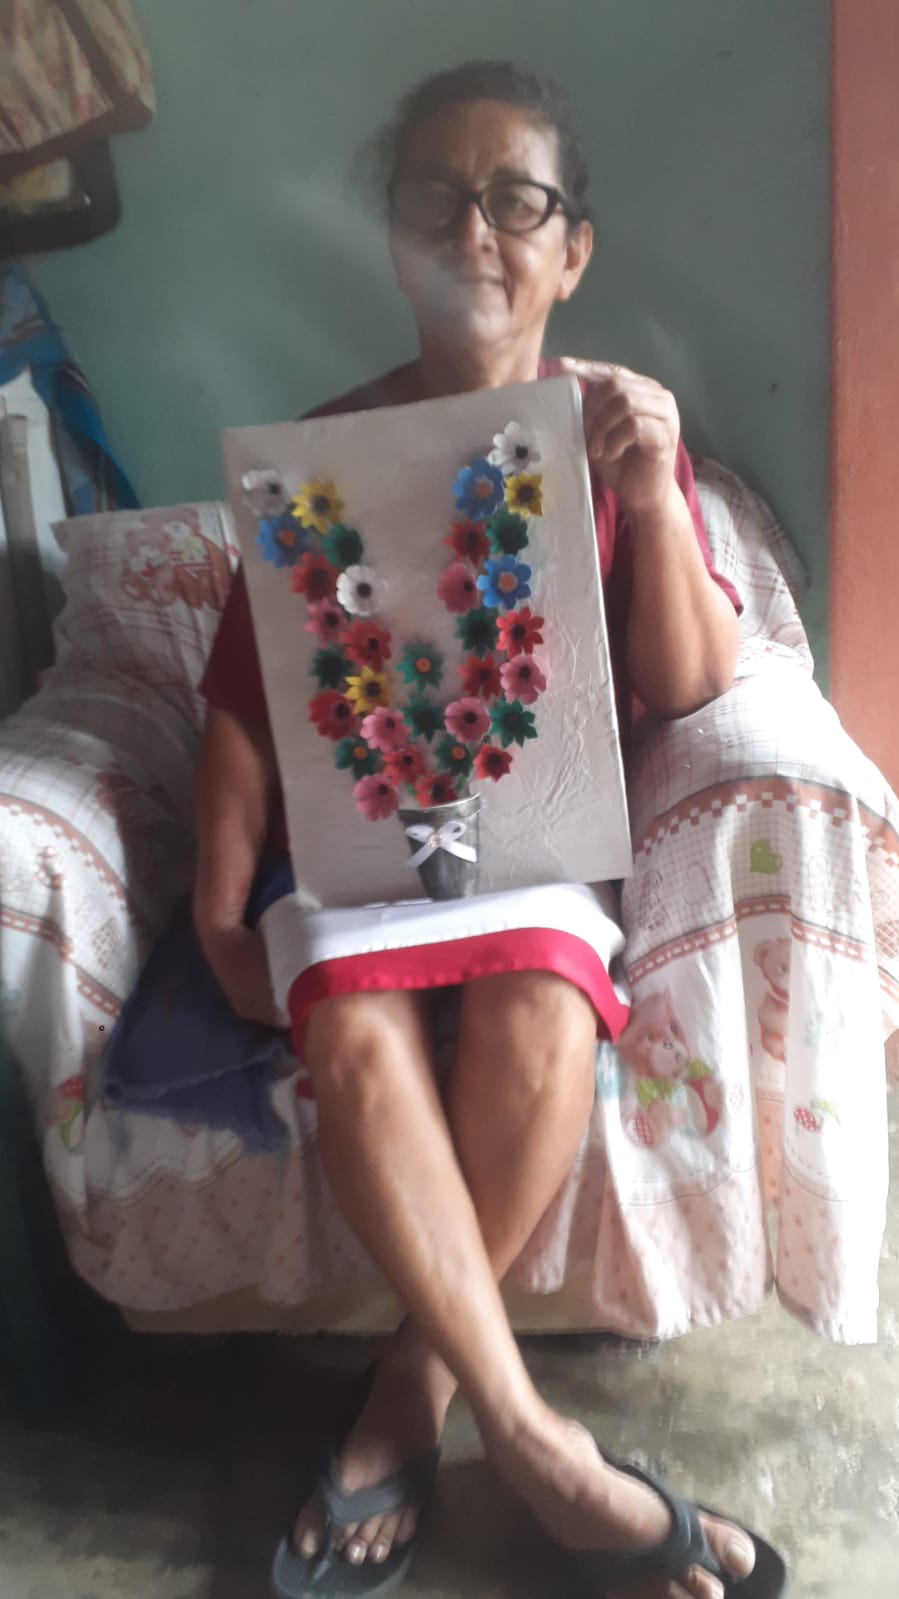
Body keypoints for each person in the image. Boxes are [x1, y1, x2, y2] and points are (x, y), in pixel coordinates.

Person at [196, 59, 785, 1599]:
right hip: (354, 847)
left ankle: (416, 1394)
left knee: (539, 994)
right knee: (348, 1012)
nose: (474, 231)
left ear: (570, 249)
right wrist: (215, 908)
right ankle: (538, 1448)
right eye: (435, 199)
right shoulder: (322, 452)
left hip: (540, 845)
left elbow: (690, 680)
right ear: (392, 238)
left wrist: (649, 495)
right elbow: (244, 696)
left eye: (515, 201)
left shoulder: (616, 433)